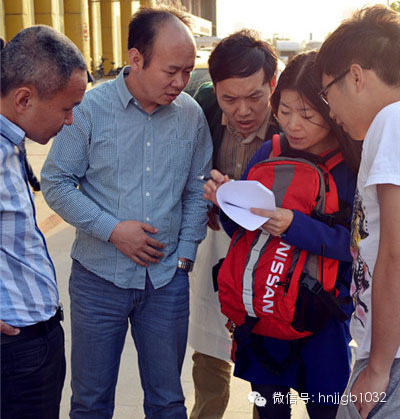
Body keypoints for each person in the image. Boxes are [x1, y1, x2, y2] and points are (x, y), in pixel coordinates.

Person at [41, 7, 212, 419]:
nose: (180, 82)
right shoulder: (88, 109)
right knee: (91, 402)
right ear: (136, 58)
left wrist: (185, 254)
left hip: (167, 282)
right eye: (171, 70)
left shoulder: (190, 114)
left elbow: (197, 189)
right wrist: (114, 230)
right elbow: (56, 182)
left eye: (188, 71)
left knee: (168, 402)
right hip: (98, 281)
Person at [203, 50, 362, 419]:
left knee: (327, 409)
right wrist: (227, 203)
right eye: (284, 111)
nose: (293, 125)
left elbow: (356, 247)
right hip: (264, 317)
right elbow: (244, 237)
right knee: (270, 410)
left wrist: (294, 226)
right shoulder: (268, 152)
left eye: (306, 115)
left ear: (332, 110)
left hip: (321, 320)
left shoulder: (352, 167)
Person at [188, 30, 279, 419]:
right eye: (230, 99)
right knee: (209, 359)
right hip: (216, 251)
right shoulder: (203, 106)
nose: (242, 110)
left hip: (272, 256)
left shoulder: (293, 123)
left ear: (272, 85)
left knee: (270, 372)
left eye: (255, 97)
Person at [315, 5, 400, 419]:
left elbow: (396, 254)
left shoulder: (392, 122)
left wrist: (379, 367)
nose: (330, 111)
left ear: (355, 75)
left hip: (391, 360)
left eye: (326, 93)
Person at [0, 25, 87, 419]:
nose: (70, 121)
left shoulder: (12, 142)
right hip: (16, 352)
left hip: (31, 343)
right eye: (66, 108)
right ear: (24, 98)